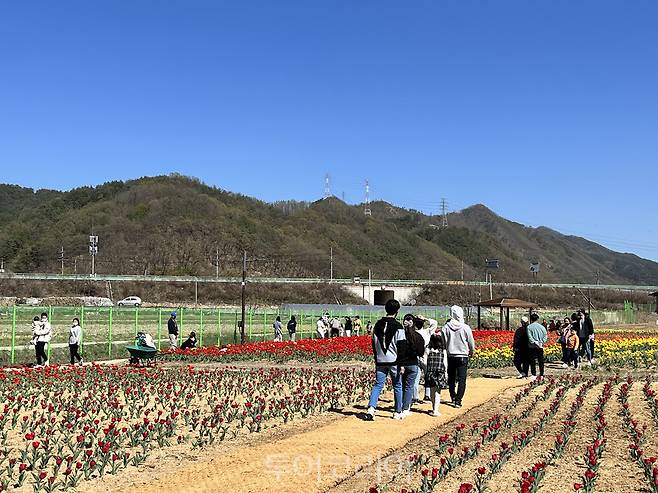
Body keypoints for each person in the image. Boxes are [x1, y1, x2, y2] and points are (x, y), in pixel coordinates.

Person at [365, 299, 404, 421]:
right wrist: (402, 363)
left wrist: (377, 357)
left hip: (380, 360)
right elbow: (401, 346)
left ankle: (371, 409)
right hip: (394, 360)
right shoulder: (398, 326)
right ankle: (397, 411)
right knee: (397, 385)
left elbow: (374, 342)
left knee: (378, 385)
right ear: (397, 311)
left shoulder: (377, 325)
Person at [442, 305, 475, 408]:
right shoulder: (465, 327)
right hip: (463, 355)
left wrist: (447, 348)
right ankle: (458, 400)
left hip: (450, 355)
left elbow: (444, 341)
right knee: (462, 379)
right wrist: (471, 351)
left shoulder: (446, 327)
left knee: (451, 378)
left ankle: (453, 396)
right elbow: (471, 342)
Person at [397, 314, 424, 418]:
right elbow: (421, 352)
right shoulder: (417, 336)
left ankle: (398, 407)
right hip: (413, 364)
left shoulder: (400, 335)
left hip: (401, 364)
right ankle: (405, 408)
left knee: (401, 386)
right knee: (409, 387)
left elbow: (398, 350)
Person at [413, 314, 438, 404]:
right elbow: (435, 323)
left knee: (416, 377)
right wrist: (425, 318)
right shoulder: (427, 332)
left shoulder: (413, 333)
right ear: (423, 324)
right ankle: (427, 395)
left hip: (415, 357)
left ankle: (415, 397)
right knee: (427, 376)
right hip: (426, 356)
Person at [424, 329, 448, 416]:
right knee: (438, 392)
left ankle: (433, 407)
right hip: (440, 372)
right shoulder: (443, 351)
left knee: (431, 391)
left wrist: (426, 370)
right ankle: (436, 410)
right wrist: (446, 373)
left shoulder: (428, 349)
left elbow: (425, 362)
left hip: (430, 372)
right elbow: (445, 363)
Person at [527, 313, 548, 379]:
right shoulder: (542, 327)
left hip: (532, 347)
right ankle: (541, 374)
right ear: (537, 319)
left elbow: (530, 338)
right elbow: (545, 336)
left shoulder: (529, 327)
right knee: (540, 360)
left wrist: (535, 342)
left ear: (531, 319)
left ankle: (534, 374)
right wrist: (541, 342)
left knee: (532, 360)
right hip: (540, 346)